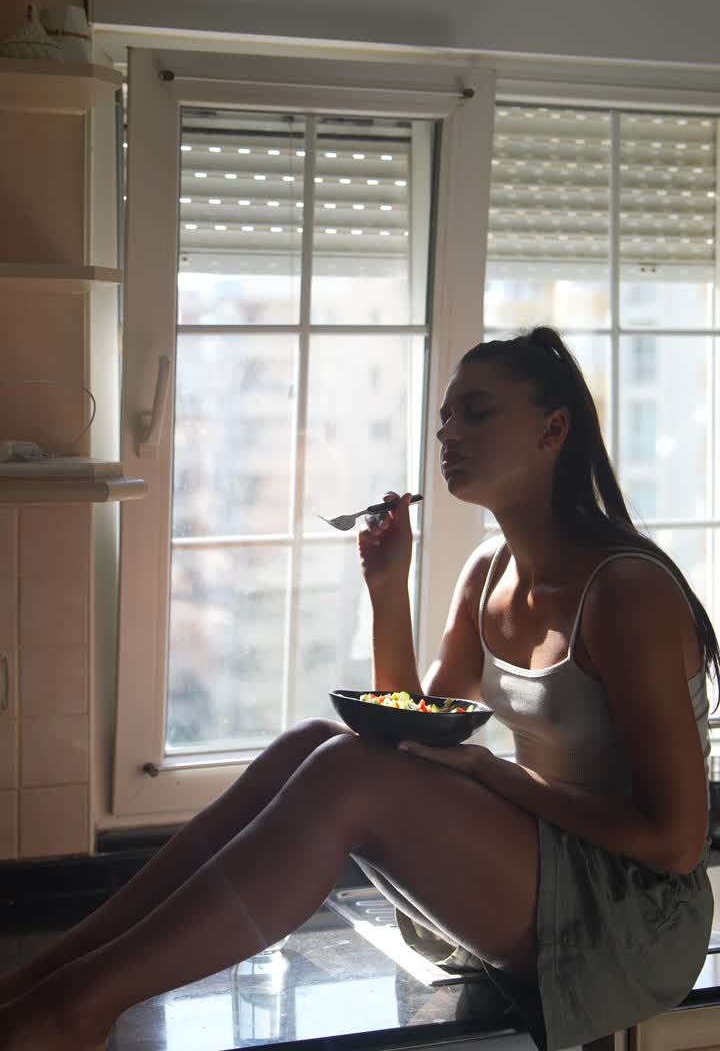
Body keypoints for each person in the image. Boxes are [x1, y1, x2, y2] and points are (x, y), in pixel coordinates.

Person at [0, 325, 715, 1051]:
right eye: (444, 419)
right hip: (543, 867)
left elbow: (677, 841)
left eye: (476, 413)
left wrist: (496, 773)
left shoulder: (626, 592)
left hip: (635, 909)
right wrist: (387, 592)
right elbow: (411, 737)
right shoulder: (488, 571)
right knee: (314, 743)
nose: (448, 434)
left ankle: (76, 1011)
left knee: (344, 768)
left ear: (553, 429)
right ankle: (49, 983)